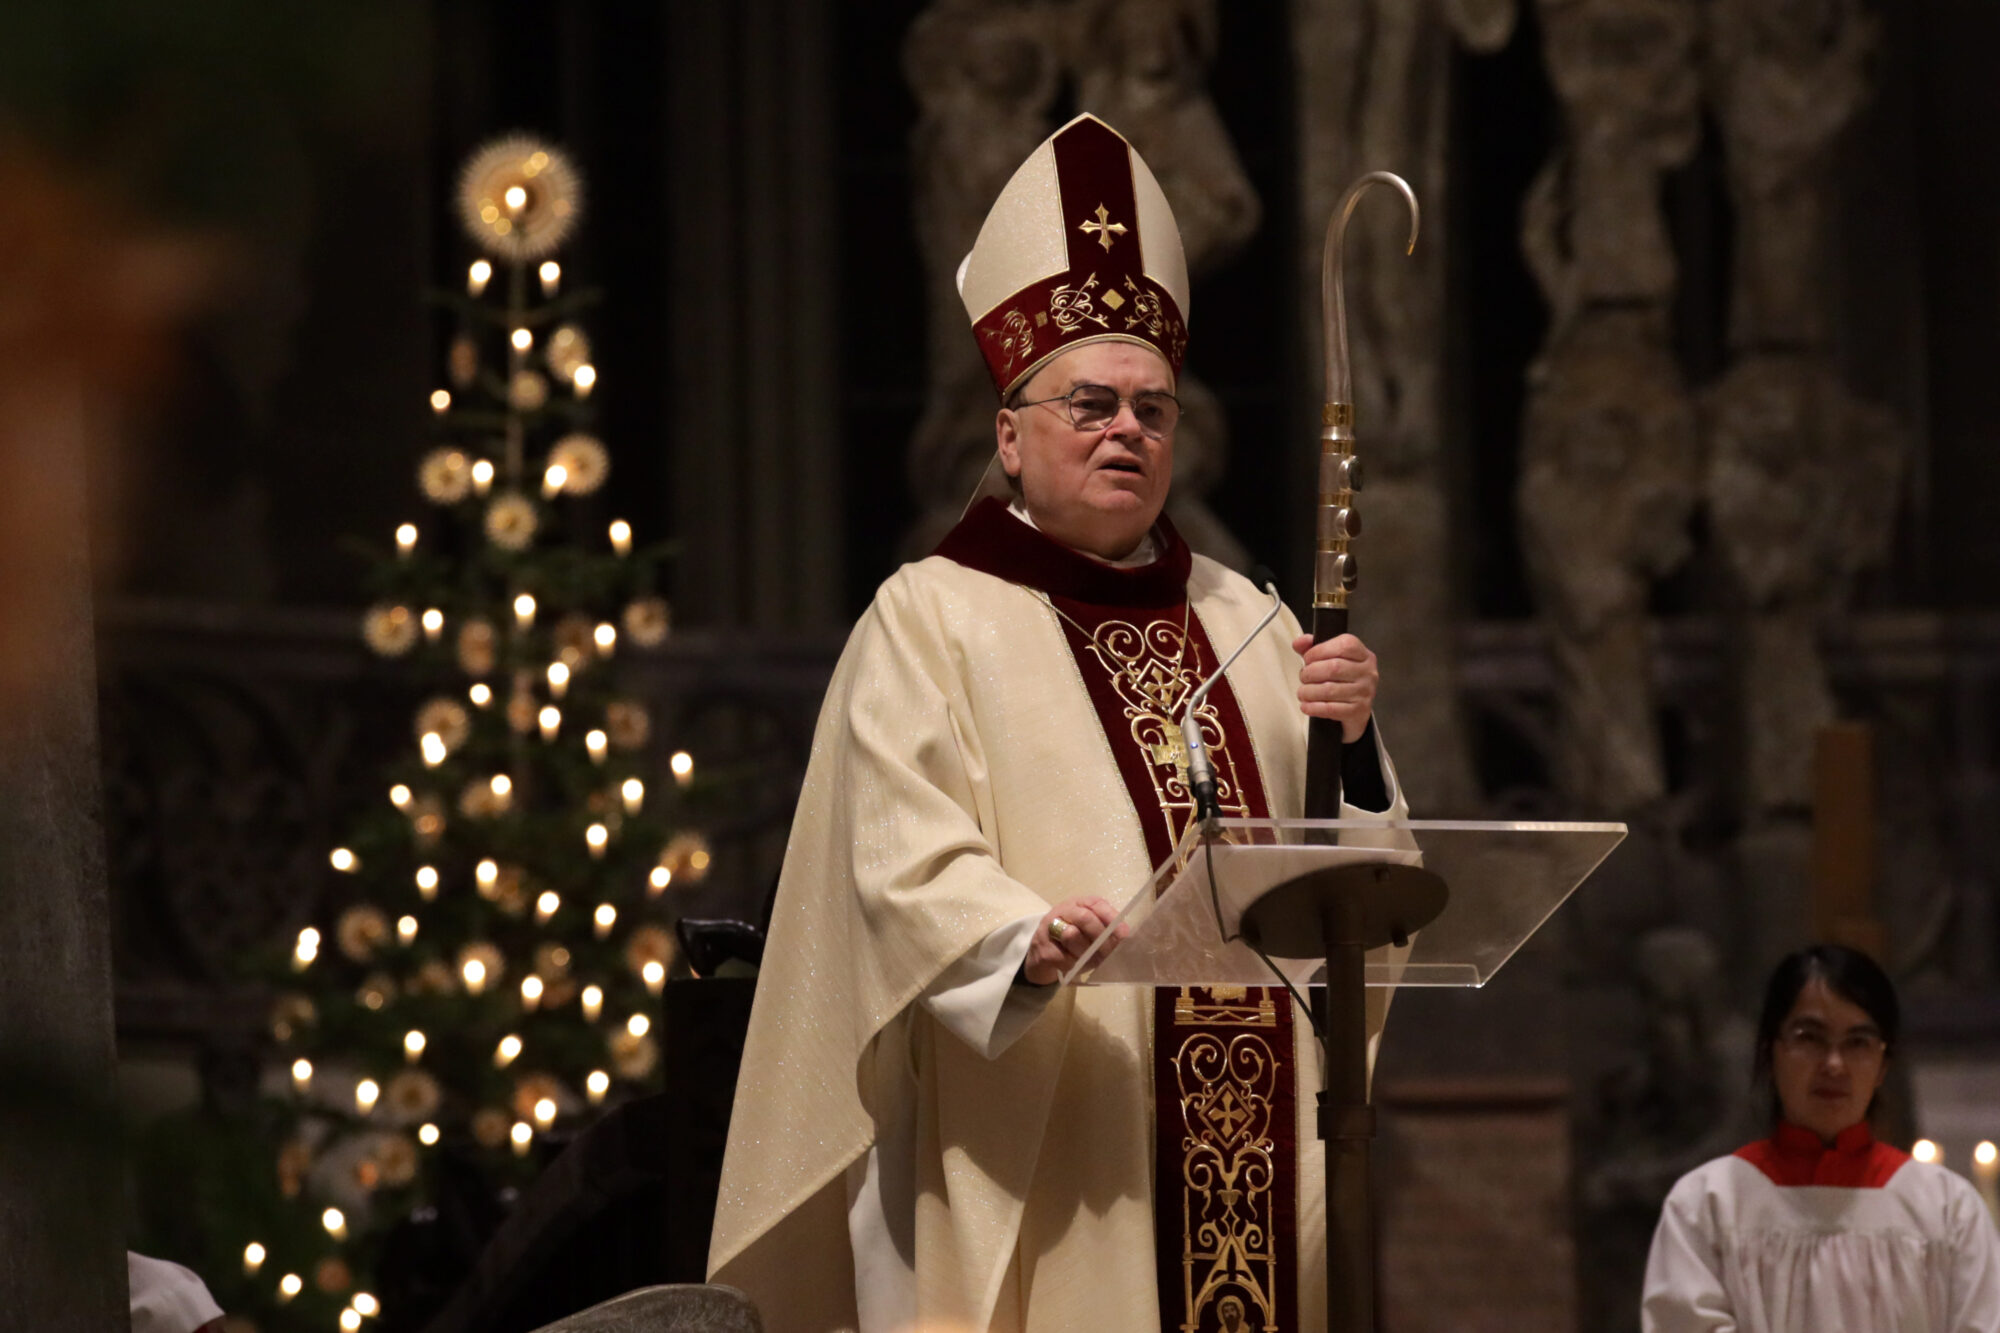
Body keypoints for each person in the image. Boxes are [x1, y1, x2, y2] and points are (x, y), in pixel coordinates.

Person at [707, 114, 1409, 1332]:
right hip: (1053, 1129)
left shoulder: (1247, 616)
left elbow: (1345, 883)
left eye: (1152, 408)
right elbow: (895, 862)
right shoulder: (929, 617)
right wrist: (1014, 939)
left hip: (1250, 1135)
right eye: (1089, 403)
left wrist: (1350, 743)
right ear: (1008, 435)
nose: (1125, 430)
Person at [1641, 944, 2000, 1332]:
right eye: (1810, 1038)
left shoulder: (1948, 1211)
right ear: (1770, 1051)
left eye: (1858, 1042)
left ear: (1882, 1066)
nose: (1834, 1064)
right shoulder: (1704, 1206)